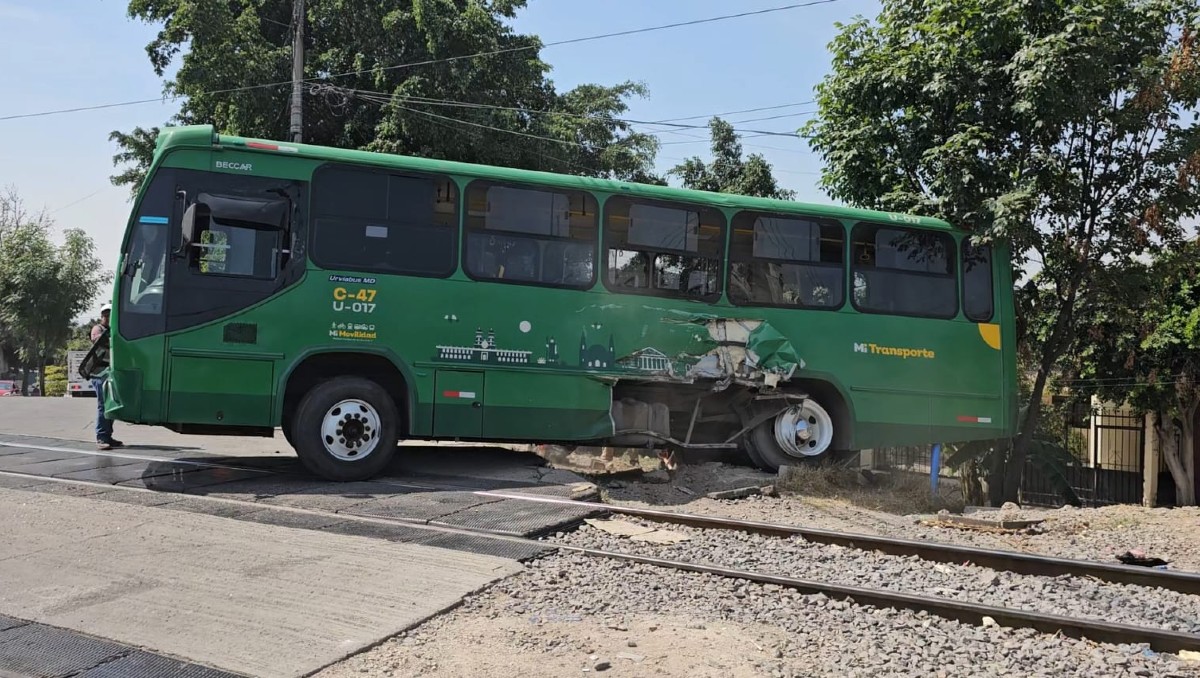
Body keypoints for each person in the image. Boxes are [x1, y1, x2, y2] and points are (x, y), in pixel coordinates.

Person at [90, 304, 123, 450]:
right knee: (103, 405)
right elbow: (99, 340)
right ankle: (101, 437)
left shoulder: (114, 330)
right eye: (105, 314)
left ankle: (107, 436)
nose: (108, 317)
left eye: (110, 314)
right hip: (99, 373)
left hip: (111, 372)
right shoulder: (98, 329)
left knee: (111, 406)